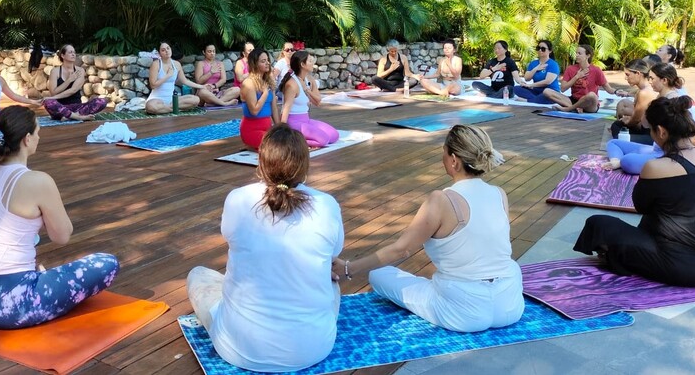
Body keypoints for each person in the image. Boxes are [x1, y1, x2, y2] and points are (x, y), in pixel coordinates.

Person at [333, 124, 523, 333]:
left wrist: (349, 268)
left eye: (443, 152)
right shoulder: (499, 193)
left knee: (379, 275)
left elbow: (401, 250)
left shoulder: (441, 200)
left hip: (463, 312)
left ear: (454, 160)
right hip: (510, 305)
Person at [186, 125, 344, 372]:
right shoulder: (327, 205)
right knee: (331, 277)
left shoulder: (237, 198)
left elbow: (232, 237)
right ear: (305, 165)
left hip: (237, 349)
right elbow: (334, 254)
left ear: (260, 163)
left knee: (197, 274)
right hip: (314, 348)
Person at [0, 106, 119, 329]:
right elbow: (62, 236)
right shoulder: (38, 181)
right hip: (10, 307)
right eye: (38, 133)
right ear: (27, 139)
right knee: (106, 263)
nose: (39, 138)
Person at [574, 96, 695, 287]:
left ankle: (624, 261)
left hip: (687, 268)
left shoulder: (656, 167)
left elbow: (642, 206)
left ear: (661, 132)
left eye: (652, 131)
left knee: (599, 224)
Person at [279, 51, 339, 148]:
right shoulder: (292, 84)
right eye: (310, 61)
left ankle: (299, 138)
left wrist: (307, 90)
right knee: (324, 140)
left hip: (305, 120)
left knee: (334, 136)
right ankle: (293, 140)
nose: (313, 63)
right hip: (293, 122)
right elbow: (286, 108)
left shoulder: (309, 79)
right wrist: (282, 131)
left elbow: (318, 102)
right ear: (302, 64)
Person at [145, 42, 218, 114]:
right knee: (150, 106)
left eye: (168, 48)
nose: (167, 51)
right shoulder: (156, 64)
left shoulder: (176, 64)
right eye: (163, 50)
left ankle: (167, 109)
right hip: (157, 99)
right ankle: (176, 109)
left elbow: (185, 81)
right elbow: (153, 85)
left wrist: (202, 86)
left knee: (195, 99)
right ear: (159, 53)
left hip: (172, 100)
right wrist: (168, 75)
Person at [43, 44, 107, 121]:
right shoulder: (55, 71)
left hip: (77, 107)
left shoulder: (80, 71)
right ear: (63, 55)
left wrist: (52, 97)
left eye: (74, 52)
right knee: (48, 102)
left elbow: (72, 90)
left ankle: (71, 116)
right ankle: (78, 117)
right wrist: (69, 80)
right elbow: (53, 92)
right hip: (60, 108)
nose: (73, 54)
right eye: (70, 52)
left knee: (102, 101)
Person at [545, 45, 614, 113]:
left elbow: (608, 89)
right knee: (547, 91)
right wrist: (577, 76)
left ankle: (569, 108)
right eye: (576, 53)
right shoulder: (570, 69)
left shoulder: (596, 70)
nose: (577, 55)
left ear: (588, 56)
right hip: (573, 100)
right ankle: (575, 108)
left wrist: (618, 92)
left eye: (579, 53)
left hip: (589, 104)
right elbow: (563, 89)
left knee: (592, 95)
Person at [239, 48, 280, 150]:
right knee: (277, 148)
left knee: (285, 141)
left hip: (267, 128)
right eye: (263, 61)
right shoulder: (248, 83)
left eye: (267, 60)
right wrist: (265, 93)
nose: (267, 63)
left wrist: (280, 129)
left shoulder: (268, 81)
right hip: (251, 130)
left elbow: (274, 108)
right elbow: (254, 111)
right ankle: (251, 143)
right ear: (254, 64)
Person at [609, 59, 657, 143]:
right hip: (649, 131)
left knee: (617, 126)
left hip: (651, 136)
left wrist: (627, 121)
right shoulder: (645, 88)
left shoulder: (644, 92)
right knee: (619, 124)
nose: (625, 78)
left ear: (638, 73)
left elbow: (636, 120)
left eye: (628, 75)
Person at [512, 40, 561, 105]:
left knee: (547, 95)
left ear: (550, 51)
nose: (540, 50)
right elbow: (526, 78)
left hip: (549, 91)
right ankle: (536, 99)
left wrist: (530, 85)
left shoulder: (553, 64)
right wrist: (535, 69)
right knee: (516, 88)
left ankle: (528, 100)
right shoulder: (533, 63)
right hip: (536, 91)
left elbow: (547, 82)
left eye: (543, 49)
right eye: (538, 48)